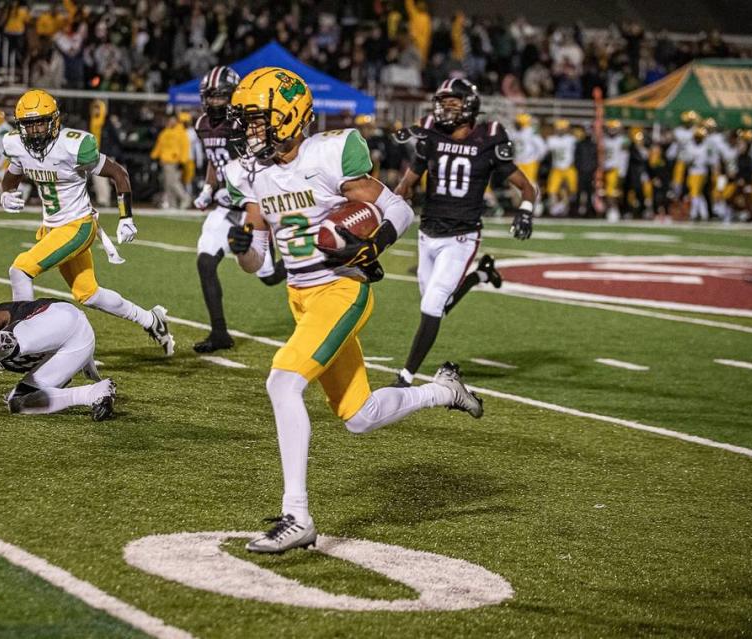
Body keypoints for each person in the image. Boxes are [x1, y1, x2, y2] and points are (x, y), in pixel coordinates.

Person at [225, 67, 484, 554]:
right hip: (301, 296)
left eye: (256, 120)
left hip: (341, 289)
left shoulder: (327, 154)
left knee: (282, 380)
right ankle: (442, 392)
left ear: (288, 116)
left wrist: (373, 246)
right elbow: (257, 263)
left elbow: (400, 208)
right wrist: (242, 246)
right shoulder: (250, 173)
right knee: (359, 416)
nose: (248, 130)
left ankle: (296, 515)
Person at [0, 89, 175, 356]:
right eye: (28, 124)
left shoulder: (73, 145)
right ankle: (151, 320)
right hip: (52, 227)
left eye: (40, 122)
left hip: (77, 226)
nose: (34, 131)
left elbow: (118, 173)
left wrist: (126, 217)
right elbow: (11, 176)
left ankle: (22, 343)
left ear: (55, 120)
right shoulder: (16, 146)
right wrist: (5, 194)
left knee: (20, 269)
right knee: (88, 293)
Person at [391, 78, 537, 388]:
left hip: (461, 235)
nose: (445, 108)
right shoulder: (430, 133)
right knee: (437, 307)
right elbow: (408, 182)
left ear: (469, 106)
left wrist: (525, 211)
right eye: (442, 102)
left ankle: (405, 376)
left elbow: (526, 187)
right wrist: (392, 202)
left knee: (432, 307)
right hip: (427, 231)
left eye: (453, 102)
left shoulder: (488, 138)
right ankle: (481, 275)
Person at [192, 65, 286, 353]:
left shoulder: (246, 124)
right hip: (224, 205)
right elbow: (213, 159)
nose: (214, 103)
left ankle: (303, 261)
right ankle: (219, 332)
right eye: (210, 96)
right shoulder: (202, 124)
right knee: (205, 262)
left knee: (268, 277)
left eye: (220, 97)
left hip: (250, 205)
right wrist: (208, 189)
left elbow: (265, 163)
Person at [0, 298, 116, 420]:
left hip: (60, 316)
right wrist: (86, 361)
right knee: (18, 402)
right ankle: (95, 393)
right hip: (78, 342)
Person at [149, 114, 191, 209]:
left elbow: (185, 147)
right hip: (164, 161)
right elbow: (159, 146)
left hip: (174, 161)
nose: (171, 122)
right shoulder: (164, 132)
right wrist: (154, 156)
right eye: (170, 120)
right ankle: (172, 205)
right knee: (167, 184)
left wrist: (182, 161)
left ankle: (185, 198)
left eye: (173, 120)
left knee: (173, 182)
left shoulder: (180, 132)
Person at [545, 119, 577, 215]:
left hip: (569, 168)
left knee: (573, 191)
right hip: (556, 168)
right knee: (551, 190)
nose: (560, 130)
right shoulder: (552, 139)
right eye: (559, 128)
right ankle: (556, 207)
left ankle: (564, 207)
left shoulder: (572, 139)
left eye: (562, 128)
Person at [603, 119, 630, 222]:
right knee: (609, 192)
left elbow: (624, 157)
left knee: (612, 192)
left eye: (614, 128)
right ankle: (612, 210)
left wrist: (622, 172)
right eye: (610, 127)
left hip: (615, 168)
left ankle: (613, 210)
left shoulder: (623, 140)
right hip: (605, 169)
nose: (612, 130)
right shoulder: (605, 139)